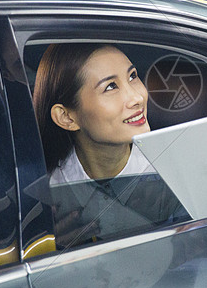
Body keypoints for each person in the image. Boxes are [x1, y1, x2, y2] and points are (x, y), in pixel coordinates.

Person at [32, 43, 188, 246]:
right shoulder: (40, 198)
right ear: (66, 117)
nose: (137, 97)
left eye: (133, 76)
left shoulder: (179, 172)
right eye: (111, 87)